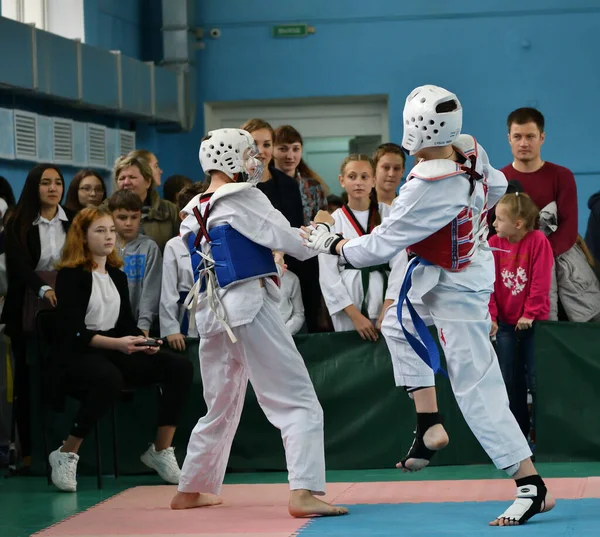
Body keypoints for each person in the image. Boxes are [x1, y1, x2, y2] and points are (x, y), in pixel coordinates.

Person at [304, 85, 554, 526]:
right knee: (398, 326)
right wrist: (462, 219)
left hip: (459, 286)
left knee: (475, 384)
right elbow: (496, 186)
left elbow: (374, 248)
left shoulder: (427, 185)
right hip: (441, 271)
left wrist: (332, 242)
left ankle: (530, 484)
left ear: (415, 128)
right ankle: (429, 427)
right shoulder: (468, 149)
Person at [170, 128, 347, 518]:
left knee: (220, 403)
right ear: (231, 158)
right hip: (249, 306)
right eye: (250, 153)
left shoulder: (193, 211)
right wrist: (323, 229)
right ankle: (304, 491)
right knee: (296, 398)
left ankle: (192, 487)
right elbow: (294, 242)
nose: (258, 161)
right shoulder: (244, 198)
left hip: (212, 317)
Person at [50, 207, 192, 492]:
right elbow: (73, 332)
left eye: (111, 231)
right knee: (109, 377)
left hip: (114, 350)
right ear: (83, 237)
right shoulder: (70, 276)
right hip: (77, 355)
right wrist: (119, 344)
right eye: (100, 231)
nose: (109, 237)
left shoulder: (116, 275)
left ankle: (160, 450)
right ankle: (66, 451)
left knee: (179, 367)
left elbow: (125, 323)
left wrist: (143, 343)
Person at [1, 164, 73, 471]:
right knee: (25, 384)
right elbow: (17, 266)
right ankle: (29, 453)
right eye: (46, 183)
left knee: (62, 376)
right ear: (34, 187)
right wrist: (42, 287)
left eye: (58, 182)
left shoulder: (74, 219)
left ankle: (65, 449)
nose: (53, 188)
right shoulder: (17, 221)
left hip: (66, 306)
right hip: (25, 308)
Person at [489, 193, 553, 443]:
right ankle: (516, 437)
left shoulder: (538, 241)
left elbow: (540, 281)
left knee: (537, 380)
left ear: (518, 224)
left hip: (534, 324)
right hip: (505, 325)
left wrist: (529, 313)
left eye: (499, 219)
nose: (494, 223)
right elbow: (489, 284)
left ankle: (542, 436)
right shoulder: (494, 243)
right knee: (508, 380)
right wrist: (492, 316)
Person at [318, 155, 391, 339]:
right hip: (348, 306)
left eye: (364, 177)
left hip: (386, 300)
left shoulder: (389, 215)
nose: (358, 182)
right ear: (341, 181)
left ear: (374, 180)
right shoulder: (332, 220)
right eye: (352, 177)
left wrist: (389, 307)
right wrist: (354, 316)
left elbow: (399, 266)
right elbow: (328, 275)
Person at [108, 190, 162, 337]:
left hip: (137, 325)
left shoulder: (149, 247)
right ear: (111, 217)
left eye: (134, 217)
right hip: (105, 323)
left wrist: (144, 325)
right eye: (122, 217)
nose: (128, 223)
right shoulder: (106, 246)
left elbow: (151, 290)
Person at [160, 183, 206, 351]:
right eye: (195, 214)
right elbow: (168, 291)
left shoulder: (215, 241)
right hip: (185, 316)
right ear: (183, 216)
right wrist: (171, 328)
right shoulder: (174, 245)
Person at [112, 153, 179, 252]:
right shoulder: (106, 211)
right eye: (121, 178)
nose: (126, 182)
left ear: (147, 181)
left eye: (132, 177)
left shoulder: (170, 210)